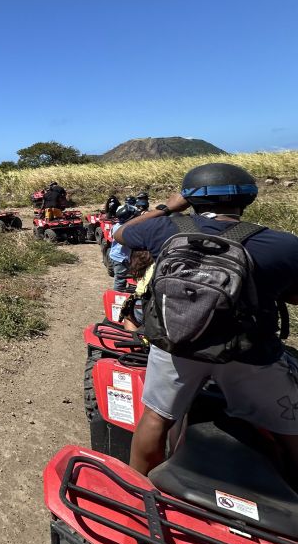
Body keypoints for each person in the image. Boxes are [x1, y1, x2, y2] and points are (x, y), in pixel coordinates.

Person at [115, 162, 298, 479]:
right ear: (248, 199)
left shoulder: (164, 230)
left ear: (189, 199)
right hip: (249, 353)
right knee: (289, 426)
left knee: (157, 418)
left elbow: (121, 233)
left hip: (176, 345)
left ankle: (137, 490)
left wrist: (168, 207)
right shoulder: (282, 245)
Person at [108, 204, 137, 291]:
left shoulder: (115, 226)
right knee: (120, 280)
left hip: (115, 256)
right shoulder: (126, 230)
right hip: (121, 259)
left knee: (120, 277)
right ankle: (118, 298)